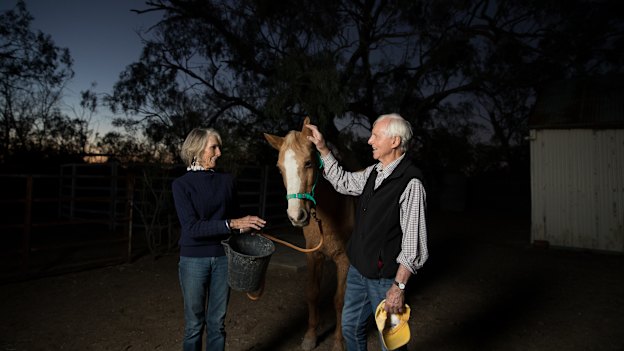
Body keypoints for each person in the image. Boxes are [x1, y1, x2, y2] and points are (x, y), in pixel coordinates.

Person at [305, 113, 428, 351]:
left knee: (391, 343)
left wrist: (398, 288)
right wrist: (322, 147)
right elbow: (343, 182)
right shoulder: (374, 172)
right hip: (358, 272)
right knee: (350, 328)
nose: (370, 141)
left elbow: (413, 245)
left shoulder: (411, 183)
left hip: (386, 283)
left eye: (376, 135)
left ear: (394, 141)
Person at [172, 127, 266, 351]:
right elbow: (192, 228)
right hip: (193, 260)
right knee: (194, 324)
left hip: (224, 258)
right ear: (196, 149)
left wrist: (248, 227)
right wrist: (232, 224)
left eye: (219, 147)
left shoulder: (227, 181)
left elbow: (235, 220)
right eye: (213, 147)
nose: (219, 152)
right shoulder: (181, 185)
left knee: (217, 323)